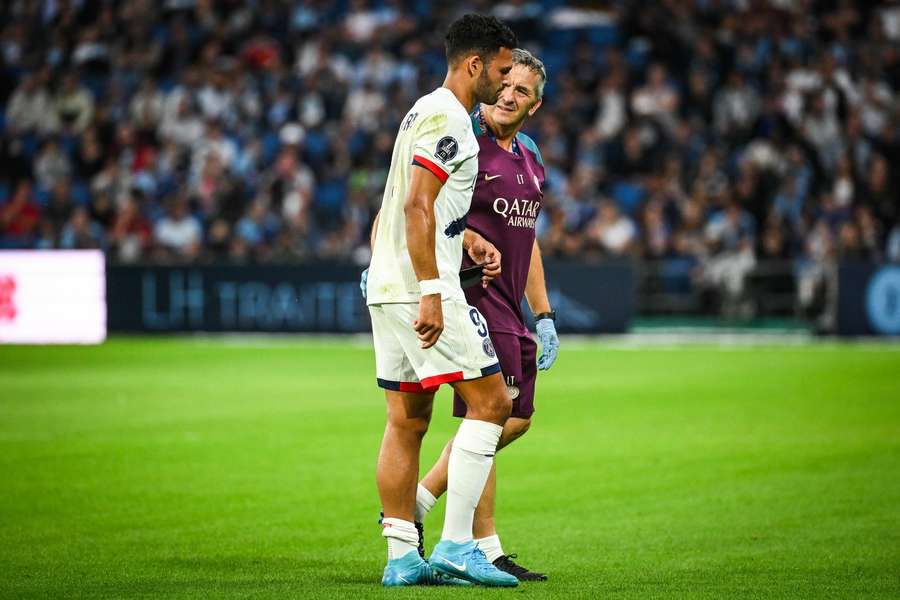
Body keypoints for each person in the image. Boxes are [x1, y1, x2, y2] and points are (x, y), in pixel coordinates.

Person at [364, 14, 520, 587]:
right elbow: (415, 206)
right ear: (475, 64)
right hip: (420, 289)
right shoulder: (450, 117)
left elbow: (407, 201)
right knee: (493, 404)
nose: (506, 84)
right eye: (502, 71)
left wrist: (468, 238)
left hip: (388, 284)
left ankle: (402, 556)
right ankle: (457, 546)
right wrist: (432, 289)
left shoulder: (420, 110)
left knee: (407, 419)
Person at [414, 49, 558, 582]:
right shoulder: (462, 141)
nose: (507, 95)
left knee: (505, 420)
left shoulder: (530, 155)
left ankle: (442, 517)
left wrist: (543, 314)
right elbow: (418, 204)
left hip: (512, 306)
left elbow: (529, 238)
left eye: (521, 91)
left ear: (534, 106)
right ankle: (446, 520)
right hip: (474, 299)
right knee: (494, 416)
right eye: (504, 83)